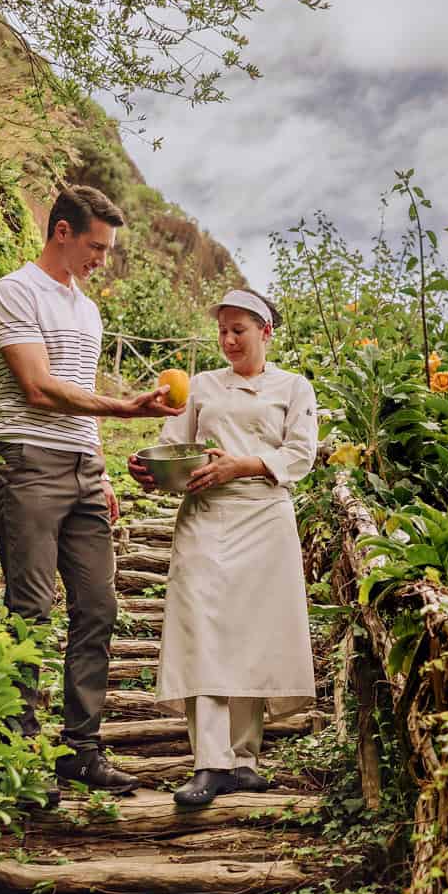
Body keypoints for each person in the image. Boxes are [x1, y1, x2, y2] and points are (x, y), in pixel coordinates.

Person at [0, 185, 183, 799]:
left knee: (98, 607)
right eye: (96, 246)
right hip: (27, 462)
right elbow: (40, 390)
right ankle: (16, 758)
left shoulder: (88, 311)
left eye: (109, 248)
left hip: (80, 470)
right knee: (31, 612)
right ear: (62, 232)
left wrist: (97, 462)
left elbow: (76, 393)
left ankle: (80, 751)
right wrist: (124, 409)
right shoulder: (13, 292)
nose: (103, 259)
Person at [128, 290, 319, 807]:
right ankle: (210, 761)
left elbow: (301, 454)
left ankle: (244, 758)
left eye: (239, 330)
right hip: (206, 516)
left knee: (252, 632)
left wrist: (244, 464)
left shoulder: (294, 388)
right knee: (203, 630)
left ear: (266, 332)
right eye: (223, 331)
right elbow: (173, 449)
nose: (229, 340)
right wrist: (148, 471)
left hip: (264, 516)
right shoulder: (203, 387)